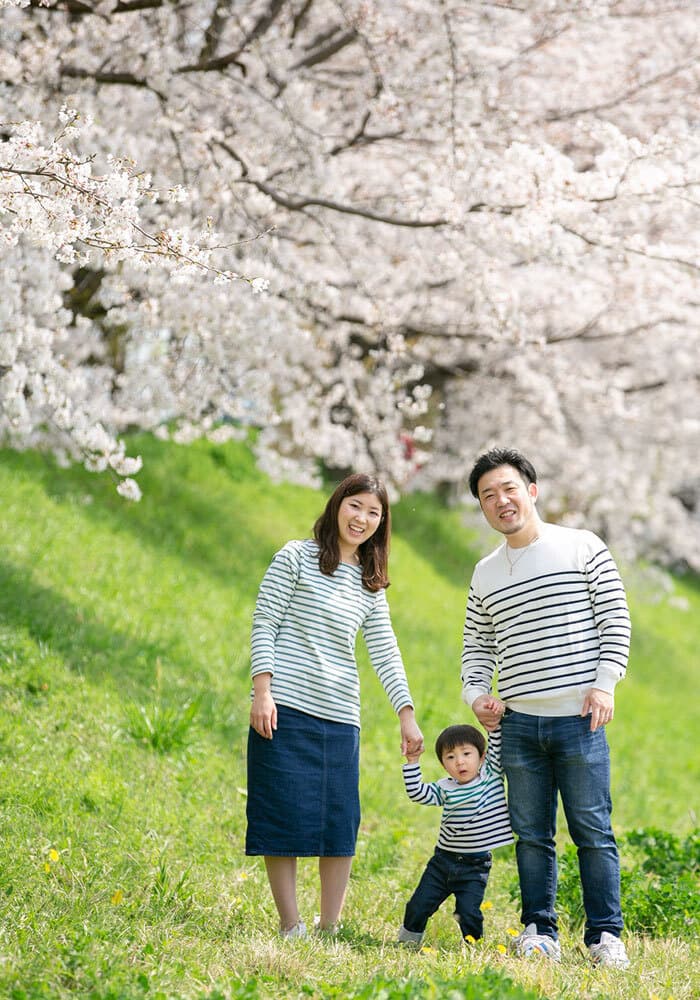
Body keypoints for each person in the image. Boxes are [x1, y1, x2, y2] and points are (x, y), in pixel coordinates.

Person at [461, 447, 631, 968]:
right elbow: (476, 647)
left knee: (592, 831)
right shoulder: (485, 572)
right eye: (488, 495)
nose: (501, 501)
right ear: (483, 509)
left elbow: (615, 621)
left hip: (580, 721)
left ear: (531, 491)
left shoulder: (582, 546)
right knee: (531, 835)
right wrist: (477, 696)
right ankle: (540, 930)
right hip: (517, 727)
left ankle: (606, 937)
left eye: (509, 488)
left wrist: (604, 685)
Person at [246, 473, 423, 938]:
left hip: (340, 716)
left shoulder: (371, 582)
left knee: (338, 823)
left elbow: (385, 649)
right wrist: (261, 692)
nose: (362, 518)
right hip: (284, 706)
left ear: (381, 524)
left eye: (374, 513)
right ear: (337, 504)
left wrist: (406, 713)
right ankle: (291, 924)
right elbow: (265, 621)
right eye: (355, 506)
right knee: (280, 816)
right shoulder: (296, 557)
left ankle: (329, 927)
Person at [397, 716, 513, 948]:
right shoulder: (445, 788)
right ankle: (407, 942)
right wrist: (412, 761)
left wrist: (494, 723)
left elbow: (497, 744)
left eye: (466, 754)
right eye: (451, 757)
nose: (460, 762)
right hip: (442, 862)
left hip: (475, 866)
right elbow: (418, 793)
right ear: (443, 765)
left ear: (482, 757)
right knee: (418, 905)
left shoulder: (490, 775)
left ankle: (473, 946)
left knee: (468, 912)